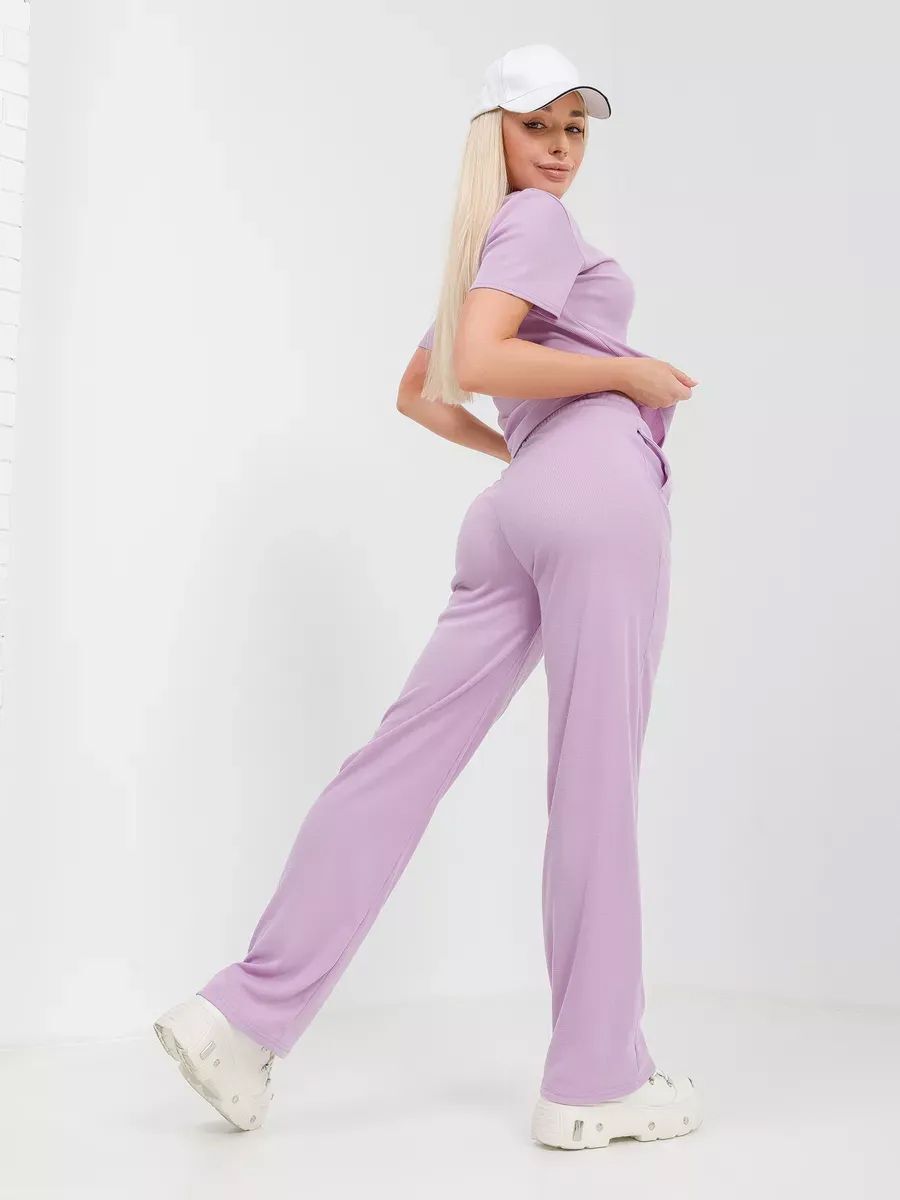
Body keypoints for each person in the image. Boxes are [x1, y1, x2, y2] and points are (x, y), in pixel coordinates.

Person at [153, 43, 703, 1150]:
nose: (560, 149)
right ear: (492, 133)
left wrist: (528, 460)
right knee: (593, 783)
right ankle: (596, 1077)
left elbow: (421, 388)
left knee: (398, 762)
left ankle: (242, 1017)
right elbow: (480, 364)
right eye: (536, 125)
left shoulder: (487, 244)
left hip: (519, 509)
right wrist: (627, 374)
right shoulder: (537, 226)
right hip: (596, 497)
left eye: (575, 128)